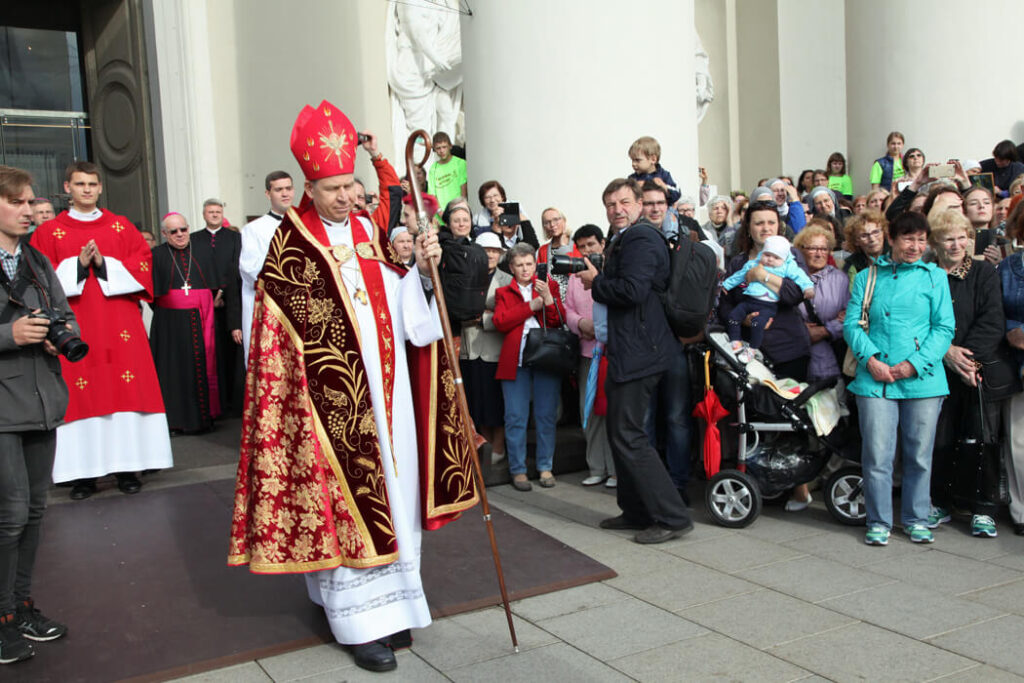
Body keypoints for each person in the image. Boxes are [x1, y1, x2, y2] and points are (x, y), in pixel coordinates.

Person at [229, 100, 478, 674]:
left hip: (388, 399)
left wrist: (420, 271)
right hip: (329, 410)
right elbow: (280, 338)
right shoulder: (288, 246)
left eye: (351, 186)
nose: (346, 197)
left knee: (396, 496)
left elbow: (400, 307)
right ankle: (358, 624)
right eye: (333, 188)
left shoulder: (368, 231)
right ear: (308, 188)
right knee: (347, 506)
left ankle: (393, 611)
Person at [30, 161, 172, 500]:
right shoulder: (49, 232)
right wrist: (76, 265)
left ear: (100, 187)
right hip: (76, 322)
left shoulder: (121, 227)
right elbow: (39, 278)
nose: (87, 190)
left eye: (92, 184)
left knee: (126, 391)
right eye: (80, 184)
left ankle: (128, 469)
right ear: (67, 188)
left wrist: (104, 264)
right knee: (80, 394)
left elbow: (143, 265)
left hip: (120, 325)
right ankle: (83, 476)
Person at [578, 178, 693, 544]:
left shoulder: (642, 238)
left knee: (629, 434)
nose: (617, 209)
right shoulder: (625, 239)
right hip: (630, 349)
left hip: (642, 351)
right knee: (619, 431)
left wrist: (596, 281)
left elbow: (632, 290)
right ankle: (636, 510)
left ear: (640, 204)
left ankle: (671, 516)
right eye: (611, 204)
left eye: (624, 202)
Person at [845, 211, 954, 546]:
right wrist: (871, 359)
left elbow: (944, 328)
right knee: (877, 454)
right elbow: (852, 324)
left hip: (923, 380)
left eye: (921, 239)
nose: (915, 246)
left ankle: (917, 517)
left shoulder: (935, 277)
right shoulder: (867, 276)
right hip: (874, 379)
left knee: (919, 453)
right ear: (891, 238)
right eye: (908, 238)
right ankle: (878, 520)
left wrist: (913, 364)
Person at [0, 165, 73, 664]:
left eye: (31, 202)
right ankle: (2, 615)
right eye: (18, 202)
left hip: (42, 401)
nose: (29, 210)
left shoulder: (36, 260)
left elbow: (64, 312)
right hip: (3, 407)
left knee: (36, 511)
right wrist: (9, 335)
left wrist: (58, 332)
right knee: (9, 516)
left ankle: (21, 604)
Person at [927, 209, 1015, 538]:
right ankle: (941, 500)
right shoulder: (927, 274)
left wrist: (965, 359)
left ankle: (983, 508)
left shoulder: (983, 272)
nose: (957, 244)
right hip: (937, 369)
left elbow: (993, 320)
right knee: (941, 438)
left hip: (978, 371)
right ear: (935, 242)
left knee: (983, 439)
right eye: (949, 238)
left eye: (962, 237)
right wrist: (946, 353)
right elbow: (919, 322)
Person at [789, 224, 850, 511]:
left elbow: (848, 316)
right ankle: (806, 476)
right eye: (812, 247)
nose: (817, 253)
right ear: (801, 250)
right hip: (796, 360)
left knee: (833, 418)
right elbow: (785, 317)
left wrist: (824, 330)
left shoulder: (839, 279)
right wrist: (802, 332)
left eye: (823, 248)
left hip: (828, 360)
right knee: (804, 422)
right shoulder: (791, 277)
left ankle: (829, 474)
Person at [493, 243, 563, 491]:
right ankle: (518, 470)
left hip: (546, 360)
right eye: (519, 265)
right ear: (511, 267)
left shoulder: (549, 285)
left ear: (536, 265)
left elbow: (558, 321)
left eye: (529, 264)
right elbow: (500, 321)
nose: (525, 269)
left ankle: (545, 466)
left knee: (545, 416)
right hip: (516, 362)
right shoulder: (503, 292)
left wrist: (547, 300)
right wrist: (530, 306)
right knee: (515, 417)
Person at [720, 201, 812, 380]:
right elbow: (725, 304)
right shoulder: (739, 263)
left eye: (771, 222)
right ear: (748, 228)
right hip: (751, 353)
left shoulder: (791, 256)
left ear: (779, 226)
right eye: (759, 223)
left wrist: (761, 275)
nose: (766, 228)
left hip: (789, 349)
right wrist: (743, 320)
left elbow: (795, 294)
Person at [150, 212, 222, 433]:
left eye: (184, 229)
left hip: (200, 322)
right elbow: (154, 295)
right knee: (173, 372)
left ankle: (203, 419)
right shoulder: (156, 255)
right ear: (164, 234)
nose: (180, 235)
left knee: (201, 368)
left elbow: (215, 283)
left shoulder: (201, 251)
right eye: (174, 231)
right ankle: (176, 421)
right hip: (170, 327)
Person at [564, 224, 616, 488]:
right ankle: (597, 466)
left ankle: (617, 470)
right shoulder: (575, 275)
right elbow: (568, 309)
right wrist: (581, 324)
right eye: (581, 246)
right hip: (587, 353)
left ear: (602, 244)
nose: (586, 250)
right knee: (590, 411)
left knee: (614, 412)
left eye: (591, 245)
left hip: (612, 353)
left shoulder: (612, 270)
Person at [460, 231, 511, 465]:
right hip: (469, 348)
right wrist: (475, 316)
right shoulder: (465, 278)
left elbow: (508, 315)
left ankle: (498, 445)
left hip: (494, 349)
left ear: (500, 254)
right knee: (476, 401)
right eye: (485, 250)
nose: (490, 255)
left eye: (494, 250)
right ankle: (485, 444)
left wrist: (482, 319)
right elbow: (457, 312)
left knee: (495, 402)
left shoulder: (507, 280)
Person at [190, 198, 243, 415]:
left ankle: (232, 402)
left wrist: (222, 292)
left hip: (230, 300)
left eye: (218, 212)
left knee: (231, 352)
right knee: (210, 352)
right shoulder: (194, 239)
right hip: (203, 300)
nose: (214, 215)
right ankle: (213, 403)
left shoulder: (235, 238)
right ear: (204, 215)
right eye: (211, 212)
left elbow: (236, 266)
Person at [722, 234, 814, 358]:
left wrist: (808, 288)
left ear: (783, 259)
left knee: (757, 325)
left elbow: (800, 277)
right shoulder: (753, 264)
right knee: (733, 317)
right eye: (767, 255)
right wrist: (726, 285)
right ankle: (735, 342)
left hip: (767, 305)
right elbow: (739, 276)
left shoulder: (787, 267)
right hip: (749, 301)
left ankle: (751, 349)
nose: (770, 259)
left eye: (776, 257)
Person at [239, 171, 294, 363]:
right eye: (279, 189)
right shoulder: (253, 230)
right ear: (267, 194)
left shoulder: (305, 225)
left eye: (288, 188)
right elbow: (249, 269)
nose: (285, 193)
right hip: (269, 304)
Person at [998, 208, 1024, 536]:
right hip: (1016, 364)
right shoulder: (1006, 268)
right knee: (1018, 440)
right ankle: (1021, 509)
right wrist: (1012, 329)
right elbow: (994, 312)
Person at [537, 207, 579, 301]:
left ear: (564, 221)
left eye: (556, 220)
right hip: (552, 301)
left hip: (574, 300)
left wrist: (563, 245)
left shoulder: (578, 245)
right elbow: (540, 279)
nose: (552, 225)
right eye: (547, 222)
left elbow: (578, 274)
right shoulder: (542, 250)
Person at [627, 136, 680, 205]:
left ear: (653, 159)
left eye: (637, 160)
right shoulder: (633, 178)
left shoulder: (664, 175)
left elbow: (677, 193)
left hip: (661, 211)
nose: (633, 164)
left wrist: (664, 187)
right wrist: (635, 188)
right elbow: (627, 198)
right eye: (632, 160)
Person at [841, 211, 889, 284]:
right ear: (856, 241)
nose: (872, 239)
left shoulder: (897, 257)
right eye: (864, 236)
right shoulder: (852, 266)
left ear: (884, 233)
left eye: (876, 232)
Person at [427, 131, 467, 219]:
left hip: (459, 213)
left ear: (450, 146)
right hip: (441, 216)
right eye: (438, 148)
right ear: (434, 150)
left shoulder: (461, 163)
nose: (441, 151)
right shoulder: (433, 168)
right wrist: (440, 213)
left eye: (444, 147)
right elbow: (432, 195)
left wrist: (460, 209)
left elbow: (463, 190)